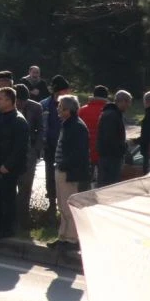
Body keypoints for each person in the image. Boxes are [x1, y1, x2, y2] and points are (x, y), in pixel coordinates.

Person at [0, 88, 29, 239]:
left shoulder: (18, 120)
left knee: (7, 198)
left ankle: (7, 229)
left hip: (7, 168)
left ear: (10, 101)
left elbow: (20, 148)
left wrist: (8, 165)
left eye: (1, 98)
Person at [53, 94, 90, 249]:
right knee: (62, 205)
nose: (58, 110)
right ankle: (63, 236)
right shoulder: (68, 124)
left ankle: (72, 239)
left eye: (60, 107)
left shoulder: (76, 126)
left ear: (68, 110)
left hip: (69, 172)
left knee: (68, 205)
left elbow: (78, 152)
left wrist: (64, 165)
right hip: (62, 168)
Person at [13, 84, 44, 235]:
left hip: (29, 151)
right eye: (19, 101)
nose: (20, 104)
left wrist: (36, 149)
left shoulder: (36, 107)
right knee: (10, 186)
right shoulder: (8, 106)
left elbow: (40, 129)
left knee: (26, 186)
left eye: (23, 101)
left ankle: (23, 219)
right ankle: (11, 219)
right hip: (12, 151)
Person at [41, 76, 73, 206]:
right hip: (50, 146)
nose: (68, 92)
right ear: (57, 91)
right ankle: (52, 204)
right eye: (65, 90)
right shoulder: (44, 105)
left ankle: (65, 204)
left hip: (66, 146)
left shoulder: (71, 105)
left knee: (65, 177)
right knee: (50, 176)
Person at [96, 90, 132, 185]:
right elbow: (110, 139)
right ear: (122, 101)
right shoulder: (112, 115)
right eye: (128, 102)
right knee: (109, 186)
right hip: (111, 158)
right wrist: (123, 148)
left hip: (108, 157)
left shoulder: (110, 114)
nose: (129, 105)